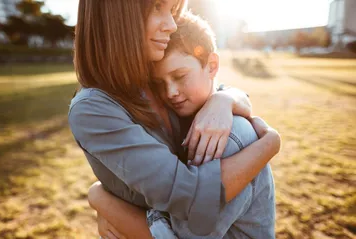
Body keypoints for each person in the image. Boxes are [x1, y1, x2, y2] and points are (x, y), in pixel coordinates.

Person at [68, 0, 281, 238]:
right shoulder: (94, 108)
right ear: (118, 13)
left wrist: (100, 199)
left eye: (171, 10)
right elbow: (189, 196)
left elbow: (189, 214)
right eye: (158, 6)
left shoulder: (162, 88)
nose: (171, 24)